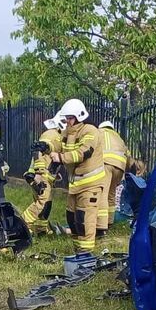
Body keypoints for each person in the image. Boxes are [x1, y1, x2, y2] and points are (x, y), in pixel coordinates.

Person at [54, 98, 105, 255]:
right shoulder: (67, 133)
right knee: (72, 218)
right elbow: (57, 144)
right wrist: (46, 147)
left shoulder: (90, 131)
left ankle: (86, 255)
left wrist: (62, 158)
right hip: (75, 185)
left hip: (90, 184)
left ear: (79, 116)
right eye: (66, 118)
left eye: (70, 118)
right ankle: (78, 250)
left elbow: (84, 152)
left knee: (84, 219)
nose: (67, 122)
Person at [22, 116, 64, 236]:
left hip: (43, 175)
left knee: (46, 204)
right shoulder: (52, 135)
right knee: (42, 202)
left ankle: (41, 230)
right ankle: (23, 224)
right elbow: (38, 149)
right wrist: (39, 173)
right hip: (40, 176)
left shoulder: (57, 136)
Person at [97, 120, 130, 242]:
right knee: (111, 195)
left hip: (106, 164)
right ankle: (110, 222)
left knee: (102, 194)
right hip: (119, 168)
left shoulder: (98, 132)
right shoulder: (118, 138)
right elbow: (128, 155)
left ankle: (101, 227)